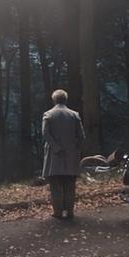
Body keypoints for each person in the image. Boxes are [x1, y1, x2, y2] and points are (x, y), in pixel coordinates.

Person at [41, 89, 86, 219]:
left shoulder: (48, 115)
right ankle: (70, 211)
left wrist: (55, 147)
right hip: (71, 155)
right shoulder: (74, 115)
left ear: (54, 100)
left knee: (55, 185)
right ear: (65, 100)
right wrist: (76, 149)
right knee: (70, 184)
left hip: (54, 155)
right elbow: (81, 136)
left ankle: (58, 211)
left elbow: (45, 133)